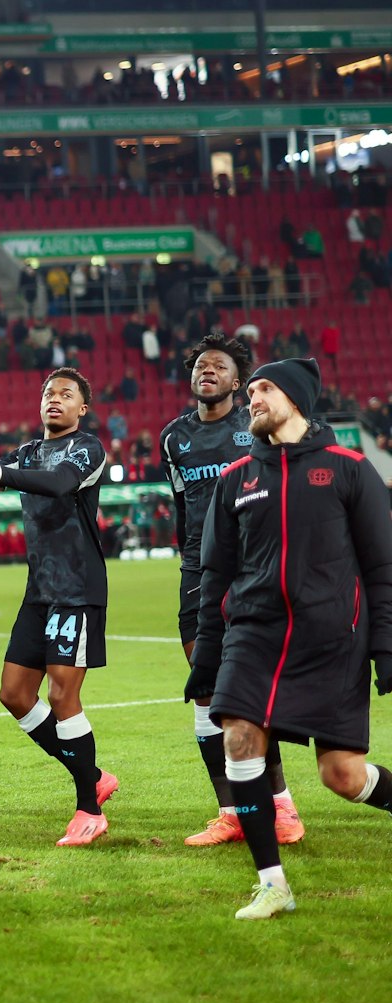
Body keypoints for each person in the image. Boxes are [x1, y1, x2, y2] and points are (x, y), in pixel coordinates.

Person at [188, 358, 392, 920]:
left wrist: (386, 651)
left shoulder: (349, 468)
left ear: (297, 398)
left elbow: (382, 568)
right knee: (239, 738)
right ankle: (272, 883)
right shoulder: (235, 480)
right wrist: (206, 658)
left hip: (332, 642)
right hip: (253, 637)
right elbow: (215, 578)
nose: (253, 398)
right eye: (250, 389)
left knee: (342, 776)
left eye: (265, 389)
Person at [0, 369, 121, 846]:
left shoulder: (88, 448)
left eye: (66, 395)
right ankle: (93, 776)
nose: (54, 400)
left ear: (83, 408)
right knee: (15, 694)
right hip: (39, 590)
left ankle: (89, 809)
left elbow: (60, 484)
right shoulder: (27, 453)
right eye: (48, 393)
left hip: (77, 589)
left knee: (64, 698)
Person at [161, 335, 303, 847]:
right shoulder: (173, 437)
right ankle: (231, 812)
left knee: (250, 692)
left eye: (219, 366)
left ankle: (281, 807)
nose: (208, 372)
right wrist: (189, 559)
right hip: (198, 572)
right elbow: (182, 507)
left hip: (252, 569)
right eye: (201, 366)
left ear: (237, 381)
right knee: (205, 693)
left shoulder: (256, 428)